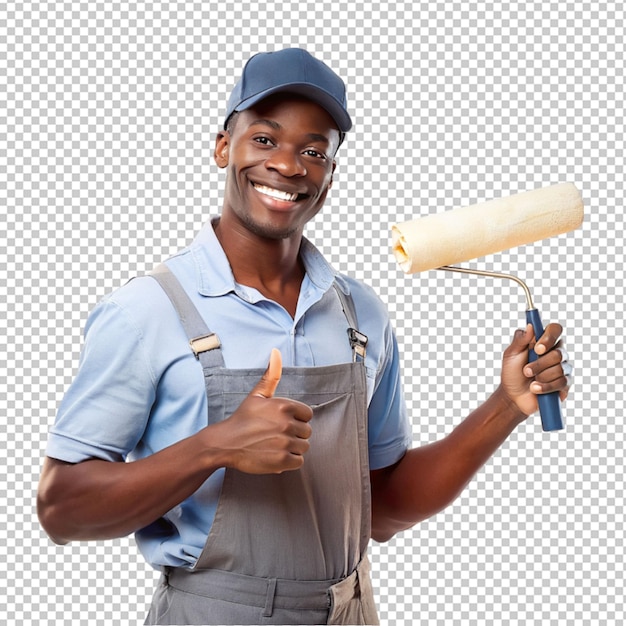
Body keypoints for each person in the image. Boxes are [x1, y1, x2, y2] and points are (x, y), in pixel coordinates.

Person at [37, 48, 571, 625]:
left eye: (313, 151)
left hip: (351, 611)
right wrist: (217, 445)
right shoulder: (147, 311)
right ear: (223, 147)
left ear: (330, 176)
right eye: (265, 139)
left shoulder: (360, 313)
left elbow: (384, 508)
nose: (289, 165)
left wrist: (505, 406)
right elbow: (62, 509)